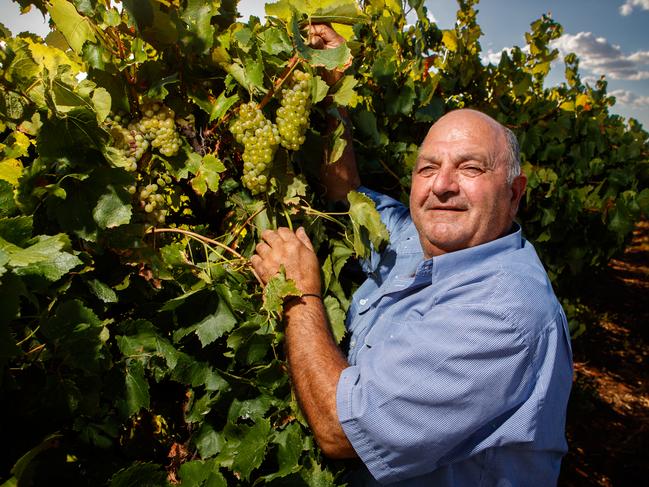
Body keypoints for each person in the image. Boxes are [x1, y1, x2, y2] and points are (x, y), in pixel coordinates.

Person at [250, 26, 573, 487]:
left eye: (470, 168)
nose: (442, 185)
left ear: (515, 193)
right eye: (428, 167)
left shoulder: (504, 312)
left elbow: (341, 429)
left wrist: (299, 294)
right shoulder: (421, 240)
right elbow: (346, 191)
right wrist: (327, 86)